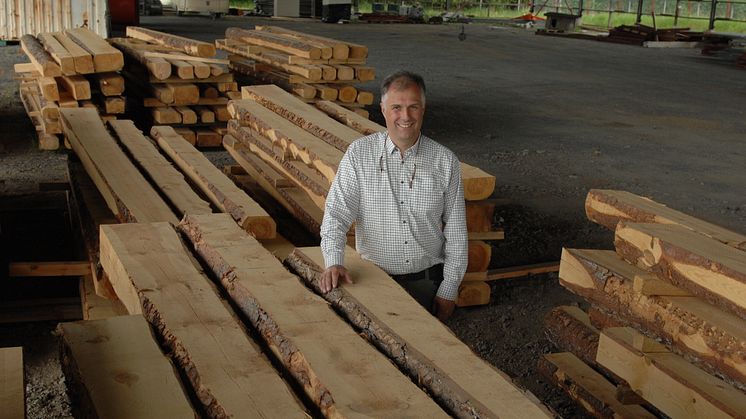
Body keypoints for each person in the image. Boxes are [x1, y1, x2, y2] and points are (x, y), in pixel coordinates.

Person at [319, 70, 468, 321]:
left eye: (413, 107)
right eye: (397, 107)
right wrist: (334, 261)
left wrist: (449, 288)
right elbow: (336, 215)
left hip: (426, 284)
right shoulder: (359, 154)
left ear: (423, 108)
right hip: (371, 282)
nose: (405, 116)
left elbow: (456, 234)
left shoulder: (445, 161)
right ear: (383, 109)